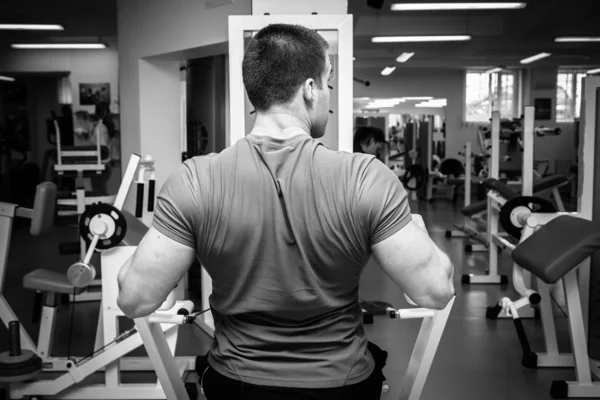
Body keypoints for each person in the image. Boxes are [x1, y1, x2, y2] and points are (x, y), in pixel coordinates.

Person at [116, 23, 454, 399]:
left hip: (237, 385)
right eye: (328, 83)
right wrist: (418, 230)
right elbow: (435, 292)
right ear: (310, 89)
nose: (327, 95)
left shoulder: (193, 180)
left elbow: (135, 299)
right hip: (341, 385)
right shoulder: (366, 177)